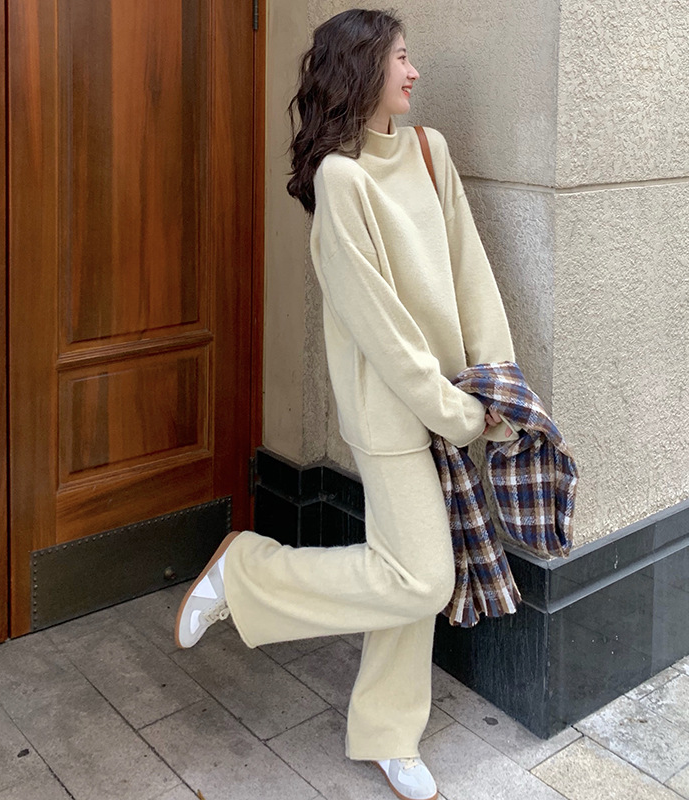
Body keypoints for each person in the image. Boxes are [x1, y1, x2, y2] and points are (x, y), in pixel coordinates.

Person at [175, 9, 515, 800]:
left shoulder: (430, 152)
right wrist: (453, 413)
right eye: (401, 57)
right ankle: (246, 571)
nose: (415, 71)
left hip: (452, 396)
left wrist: (496, 383)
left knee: (404, 569)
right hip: (389, 410)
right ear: (362, 68)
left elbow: (472, 272)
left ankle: (387, 732)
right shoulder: (340, 180)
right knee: (423, 579)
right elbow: (381, 329)